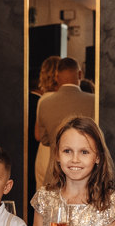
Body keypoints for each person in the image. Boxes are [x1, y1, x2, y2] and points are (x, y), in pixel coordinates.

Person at [35, 57, 94, 189]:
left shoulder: (45, 103)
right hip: (84, 176)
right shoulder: (93, 101)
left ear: (57, 77)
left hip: (54, 174)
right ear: (80, 74)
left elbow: (44, 139)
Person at [29, 56, 61, 203]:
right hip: (53, 151)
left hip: (42, 152)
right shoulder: (57, 99)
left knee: (43, 197)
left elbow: (38, 134)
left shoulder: (43, 99)